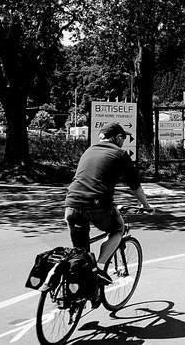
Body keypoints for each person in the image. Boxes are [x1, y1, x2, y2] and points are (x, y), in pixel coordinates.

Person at [64, 122, 153, 290]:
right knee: (118, 228)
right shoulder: (120, 154)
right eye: (123, 138)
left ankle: (77, 294)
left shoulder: (89, 151)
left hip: (71, 205)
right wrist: (146, 206)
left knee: (80, 254)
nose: (123, 142)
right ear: (118, 138)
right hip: (96, 205)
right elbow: (134, 186)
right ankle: (99, 267)